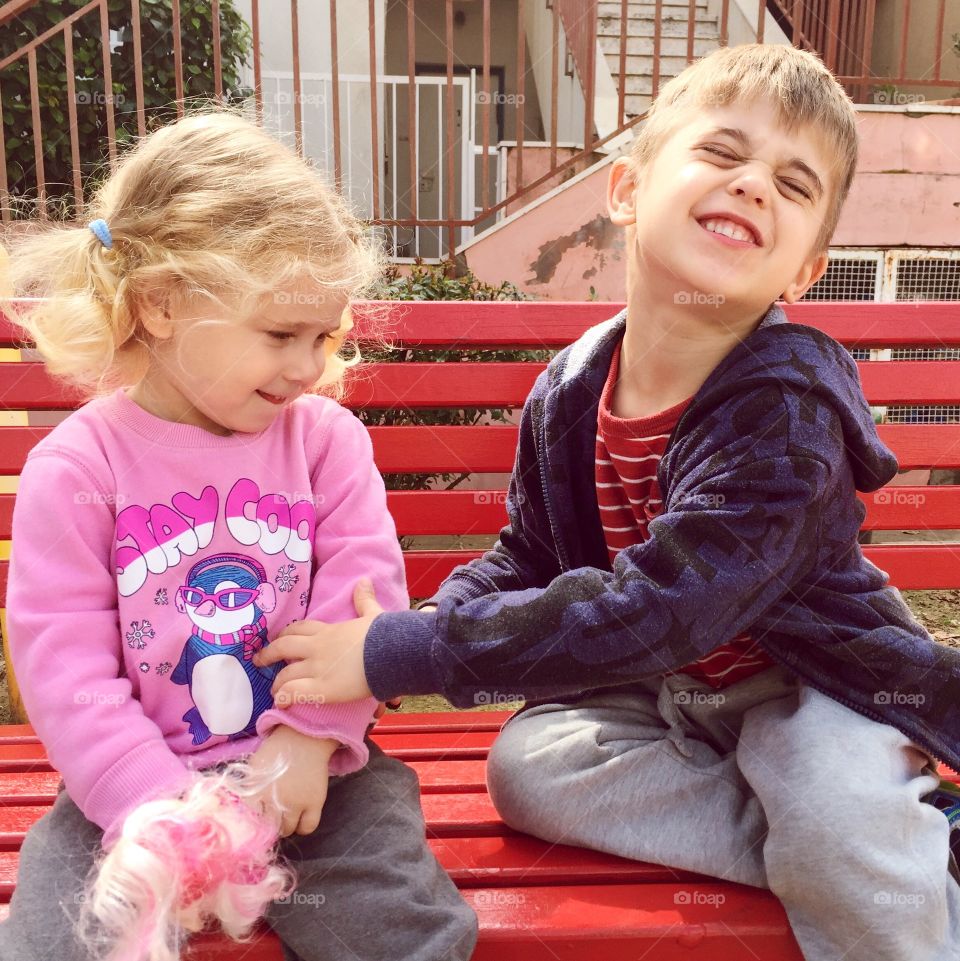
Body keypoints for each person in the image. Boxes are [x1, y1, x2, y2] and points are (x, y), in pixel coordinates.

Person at [252, 44, 960, 961]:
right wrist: (428, 619)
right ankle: (855, 845)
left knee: (831, 803)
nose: (752, 186)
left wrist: (404, 653)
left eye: (793, 183)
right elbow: (531, 556)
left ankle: (872, 845)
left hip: (811, 686)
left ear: (806, 271)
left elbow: (665, 607)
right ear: (626, 189)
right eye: (721, 153)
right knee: (528, 769)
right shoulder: (573, 386)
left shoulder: (786, 411)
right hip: (660, 697)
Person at [0, 107, 477, 961]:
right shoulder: (78, 469)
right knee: (56, 935)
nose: (306, 367)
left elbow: (363, 597)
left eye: (322, 336)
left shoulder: (325, 441)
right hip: (131, 790)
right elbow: (63, 667)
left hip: (317, 780)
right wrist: (160, 807)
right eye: (279, 334)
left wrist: (313, 733)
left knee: (399, 927)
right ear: (162, 303)